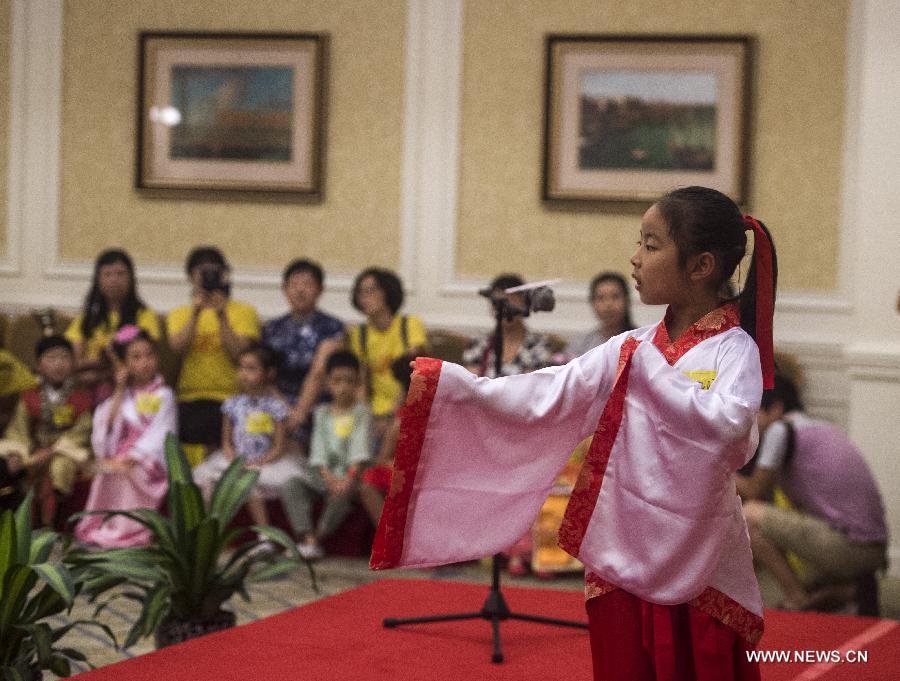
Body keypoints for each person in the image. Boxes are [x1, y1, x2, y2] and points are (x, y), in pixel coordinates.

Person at [371, 186, 778, 681]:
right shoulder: (632, 346)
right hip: (621, 538)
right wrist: (460, 387)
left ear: (701, 266)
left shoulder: (732, 350)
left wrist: (651, 371)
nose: (635, 258)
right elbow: (550, 394)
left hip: (698, 548)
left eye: (651, 246)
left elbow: (733, 435)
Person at [736, 374, 887, 612]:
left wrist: (716, 466)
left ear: (776, 409)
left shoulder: (780, 431)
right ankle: (843, 591)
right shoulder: (819, 427)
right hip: (872, 547)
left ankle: (798, 597)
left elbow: (754, 491)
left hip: (852, 546)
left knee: (749, 515)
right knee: (810, 582)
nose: (749, 422)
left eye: (754, 413)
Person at [461, 273, 554, 576]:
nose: (506, 306)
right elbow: (469, 389)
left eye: (513, 299)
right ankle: (496, 548)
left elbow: (541, 391)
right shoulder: (480, 345)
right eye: (500, 300)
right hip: (486, 431)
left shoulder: (540, 346)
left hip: (526, 429)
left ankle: (530, 551)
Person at [75, 326, 177, 547]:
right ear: (124, 363)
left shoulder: (164, 394)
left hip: (148, 459)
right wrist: (120, 387)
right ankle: (104, 526)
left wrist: (136, 455)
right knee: (108, 469)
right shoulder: (121, 394)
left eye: (149, 355)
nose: (145, 361)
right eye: (136, 357)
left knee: (128, 470)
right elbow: (108, 427)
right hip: (121, 455)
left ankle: (129, 531)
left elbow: (162, 432)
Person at [194, 342, 304, 541]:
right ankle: (206, 532)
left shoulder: (275, 406)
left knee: (249, 487)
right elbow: (226, 441)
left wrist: (258, 462)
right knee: (206, 480)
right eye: (241, 367)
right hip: (236, 459)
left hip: (266, 462)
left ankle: (265, 537)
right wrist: (234, 460)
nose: (244, 373)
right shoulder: (232, 404)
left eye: (251, 368)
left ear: (269, 374)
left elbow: (279, 447)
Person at [166, 246, 260, 465]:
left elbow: (240, 355)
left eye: (214, 272)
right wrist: (196, 312)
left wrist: (221, 316)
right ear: (191, 277)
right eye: (202, 272)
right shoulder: (179, 314)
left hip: (231, 396)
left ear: (224, 274)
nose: (208, 277)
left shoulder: (244, 312)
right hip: (189, 398)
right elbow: (178, 347)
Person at [281, 351, 372, 560]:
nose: (343, 387)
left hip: (351, 474)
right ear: (327, 383)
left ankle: (317, 539)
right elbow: (318, 449)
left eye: (349, 381)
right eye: (337, 381)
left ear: (357, 383)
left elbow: (359, 451)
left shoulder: (362, 412)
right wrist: (327, 476)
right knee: (291, 485)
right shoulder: (321, 412)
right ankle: (306, 535)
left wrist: (347, 478)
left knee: (341, 493)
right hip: (322, 475)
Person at [0, 336, 93, 526]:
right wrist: (19, 454)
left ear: (73, 363)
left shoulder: (81, 398)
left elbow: (81, 433)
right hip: (34, 451)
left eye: (64, 358)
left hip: (66, 453)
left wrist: (52, 451)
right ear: (39, 365)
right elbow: (18, 430)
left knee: (60, 467)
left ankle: (55, 523)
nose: (58, 364)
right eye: (51, 358)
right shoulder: (29, 396)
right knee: (19, 465)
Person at [262, 259, 345, 442]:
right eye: (294, 284)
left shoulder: (332, 327)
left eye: (307, 284)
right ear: (284, 289)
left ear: (320, 289)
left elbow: (319, 373)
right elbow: (264, 375)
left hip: (318, 406)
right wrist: (285, 410)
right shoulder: (272, 328)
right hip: (277, 404)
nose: (300, 290)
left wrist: (299, 413)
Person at [64, 249, 161, 398]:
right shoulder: (86, 318)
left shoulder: (145, 316)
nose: (114, 280)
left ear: (131, 279)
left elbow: (144, 361)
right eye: (107, 274)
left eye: (120, 274)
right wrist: (102, 366)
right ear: (98, 280)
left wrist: (99, 367)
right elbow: (73, 362)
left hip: (128, 387)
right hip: (87, 386)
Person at [348, 267, 427, 437]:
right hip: (374, 412)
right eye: (360, 293)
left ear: (387, 291)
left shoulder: (409, 325)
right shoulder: (359, 334)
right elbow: (361, 382)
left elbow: (413, 376)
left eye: (370, 290)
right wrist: (363, 416)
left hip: (408, 406)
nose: (364, 298)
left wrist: (393, 414)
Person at [358, 356, 413, 528]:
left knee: (367, 482)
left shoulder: (400, 420)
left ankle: (390, 533)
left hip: (409, 474)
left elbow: (384, 457)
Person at [567, 271, 636, 357]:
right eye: (601, 298)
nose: (608, 304)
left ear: (627, 300)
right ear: (593, 303)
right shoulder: (581, 344)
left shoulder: (640, 340)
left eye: (615, 297)